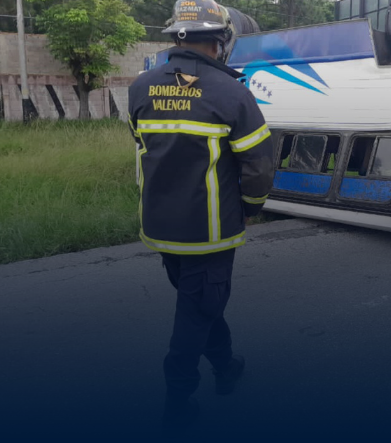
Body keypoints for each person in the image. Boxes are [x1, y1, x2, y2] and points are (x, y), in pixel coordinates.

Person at [127, 0, 275, 431]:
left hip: (159, 226)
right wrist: (252, 209)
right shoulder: (232, 92)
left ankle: (227, 364)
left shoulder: (140, 87)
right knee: (196, 311)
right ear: (220, 42)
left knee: (200, 302)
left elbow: (144, 145)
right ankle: (178, 399)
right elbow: (260, 166)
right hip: (210, 231)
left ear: (177, 37)